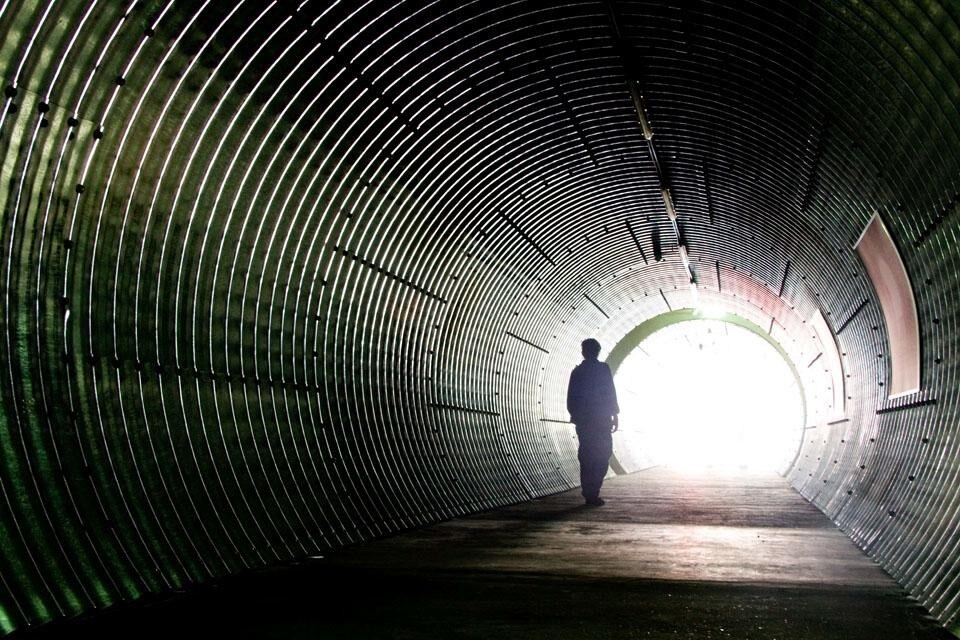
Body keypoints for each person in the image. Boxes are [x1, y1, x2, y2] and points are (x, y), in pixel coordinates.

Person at [566, 338, 619, 506]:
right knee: (601, 454)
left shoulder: (578, 372)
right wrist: (614, 414)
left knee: (589, 456)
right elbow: (610, 392)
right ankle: (591, 492)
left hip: (587, 422)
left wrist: (576, 416)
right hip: (600, 421)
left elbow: (571, 397)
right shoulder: (602, 369)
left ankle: (590, 491)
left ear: (584, 352)